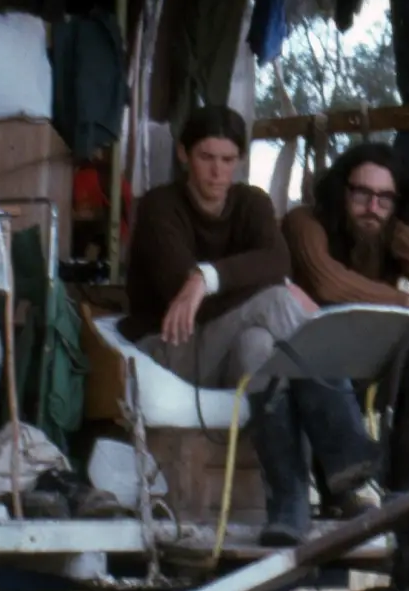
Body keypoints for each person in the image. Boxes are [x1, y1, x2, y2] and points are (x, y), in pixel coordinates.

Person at [122, 106, 379, 545]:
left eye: (226, 159)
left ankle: (289, 506)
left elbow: (277, 260)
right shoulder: (159, 208)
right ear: (184, 155)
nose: (216, 171)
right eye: (206, 158)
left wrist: (207, 277)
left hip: (231, 353)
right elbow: (178, 294)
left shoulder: (252, 203)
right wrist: (256, 284)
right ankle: (346, 457)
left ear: (239, 159)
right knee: (277, 300)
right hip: (174, 347)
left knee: (259, 348)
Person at [282, 141, 409, 309]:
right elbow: (328, 284)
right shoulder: (304, 221)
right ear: (340, 192)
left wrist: (400, 236)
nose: (372, 208)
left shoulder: (390, 230)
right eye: (362, 194)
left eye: (385, 198)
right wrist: (404, 301)